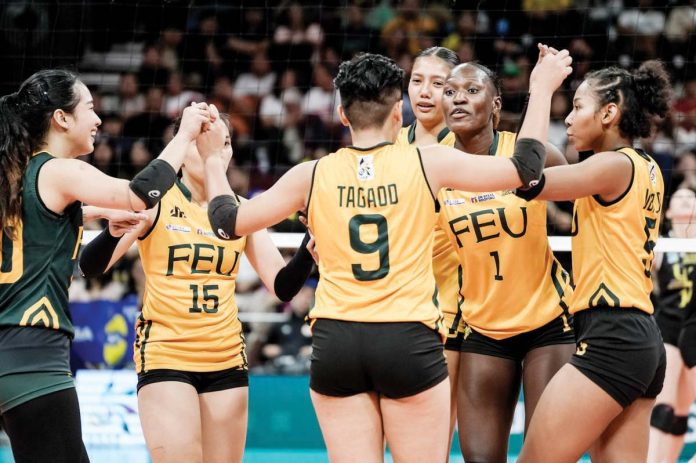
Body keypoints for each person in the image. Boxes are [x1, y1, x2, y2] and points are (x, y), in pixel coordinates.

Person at [201, 49, 572, 462]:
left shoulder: (311, 173)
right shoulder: (427, 163)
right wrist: (540, 89)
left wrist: (213, 160)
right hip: (406, 337)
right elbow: (525, 167)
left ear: (342, 114)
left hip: (336, 341)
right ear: (399, 112)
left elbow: (226, 221)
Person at [78, 114, 315, 463]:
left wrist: (311, 245)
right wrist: (113, 231)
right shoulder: (155, 202)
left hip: (226, 358)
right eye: (203, 140)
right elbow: (90, 266)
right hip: (166, 354)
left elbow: (282, 286)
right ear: (183, 147)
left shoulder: (240, 211)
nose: (215, 150)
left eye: (224, 142)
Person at [0, 69, 209, 463]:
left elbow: (49, 229)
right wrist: (183, 135)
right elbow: (137, 194)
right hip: (34, 355)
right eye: (90, 108)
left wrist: (95, 217)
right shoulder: (58, 170)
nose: (98, 120)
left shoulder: (14, 176)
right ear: (61, 118)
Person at [517, 58, 671, 462]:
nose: (567, 119)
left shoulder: (612, 166)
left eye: (578, 107)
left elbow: (525, 177)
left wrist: (542, 90)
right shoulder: (644, 167)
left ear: (609, 113)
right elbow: (559, 168)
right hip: (640, 337)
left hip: (613, 337)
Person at [439, 61, 575, 462]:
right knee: (479, 458)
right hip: (483, 325)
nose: (458, 98)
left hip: (548, 322)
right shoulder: (431, 164)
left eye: (471, 90)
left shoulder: (532, 151)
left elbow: (588, 211)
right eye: (450, 91)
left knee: (544, 454)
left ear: (495, 105)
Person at [396, 46, 461, 443]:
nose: (424, 92)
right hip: (398, 306)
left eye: (438, 84)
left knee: (435, 433)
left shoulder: (467, 146)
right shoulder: (389, 143)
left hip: (455, 307)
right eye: (418, 81)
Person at [648, 187, 696, 463]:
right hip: (668, 327)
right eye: (680, 198)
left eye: (692, 197)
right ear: (668, 210)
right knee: (663, 408)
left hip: (694, 329)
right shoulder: (661, 245)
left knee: (681, 412)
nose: (687, 200)